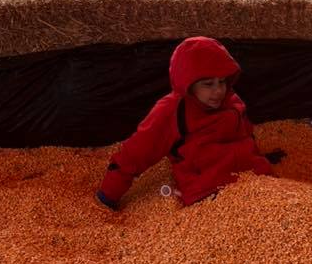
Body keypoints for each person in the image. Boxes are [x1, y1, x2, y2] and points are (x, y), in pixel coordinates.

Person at [96, 36, 276, 210]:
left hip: (254, 177)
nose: (218, 91)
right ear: (189, 84)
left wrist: (258, 158)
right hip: (208, 189)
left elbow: (245, 131)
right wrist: (109, 194)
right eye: (208, 84)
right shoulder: (172, 110)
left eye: (222, 81)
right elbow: (138, 151)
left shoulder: (231, 100)